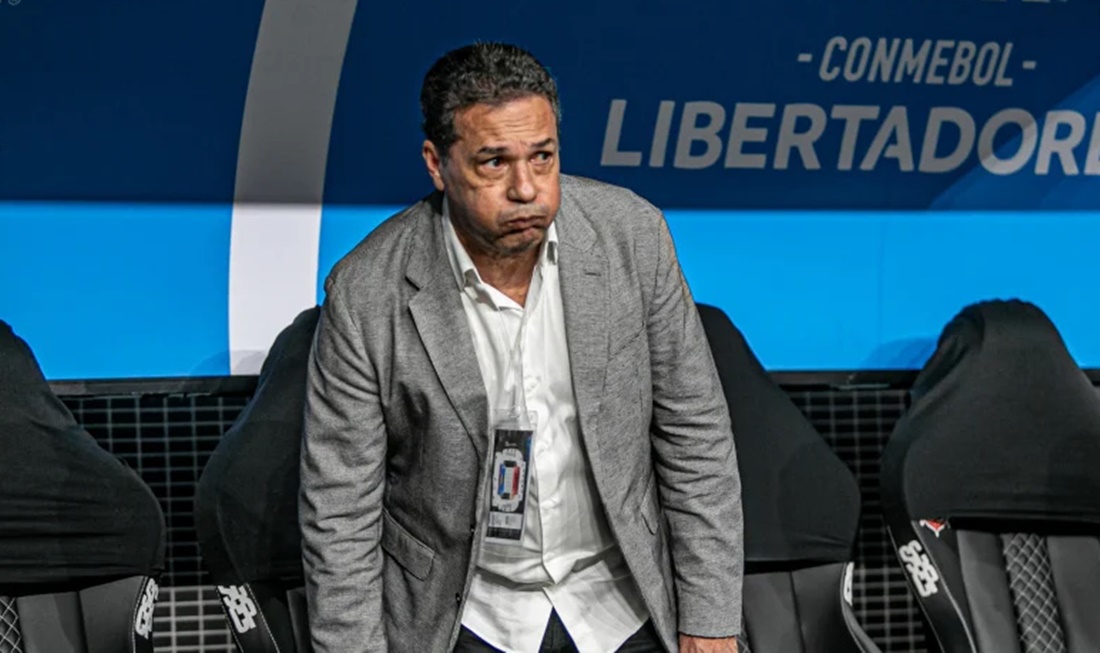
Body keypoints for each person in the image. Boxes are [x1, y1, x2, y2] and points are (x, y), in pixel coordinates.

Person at [300, 42, 743, 653]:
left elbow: (696, 436)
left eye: (543, 157)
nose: (527, 189)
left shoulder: (632, 238)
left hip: (620, 598)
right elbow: (339, 511)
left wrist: (711, 621)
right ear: (437, 164)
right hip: (465, 613)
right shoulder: (365, 294)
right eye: (493, 163)